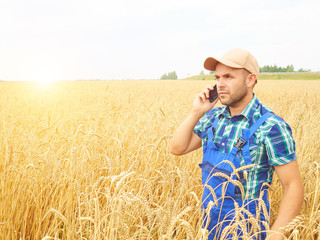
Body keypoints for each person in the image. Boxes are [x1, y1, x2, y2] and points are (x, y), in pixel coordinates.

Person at [170, 48, 304, 239]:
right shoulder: (213, 118)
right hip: (209, 227)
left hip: (247, 230)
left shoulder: (271, 126)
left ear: (250, 80)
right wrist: (196, 112)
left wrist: (275, 236)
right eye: (217, 78)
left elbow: (293, 187)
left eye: (228, 77)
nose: (220, 84)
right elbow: (177, 148)